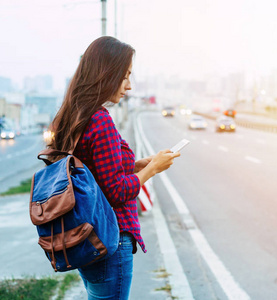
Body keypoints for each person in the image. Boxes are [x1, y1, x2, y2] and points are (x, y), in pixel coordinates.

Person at [46, 36, 180, 300]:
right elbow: (117, 191)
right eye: (125, 76)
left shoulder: (74, 114)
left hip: (87, 238)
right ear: (107, 74)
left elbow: (94, 171)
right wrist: (151, 171)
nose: (129, 86)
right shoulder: (100, 120)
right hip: (110, 238)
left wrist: (143, 163)